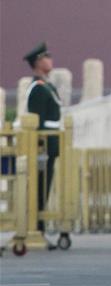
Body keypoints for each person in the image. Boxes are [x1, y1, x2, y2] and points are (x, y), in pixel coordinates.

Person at [23, 43, 61, 246]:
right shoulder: (38, 89)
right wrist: (40, 150)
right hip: (43, 149)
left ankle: (41, 229)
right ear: (38, 62)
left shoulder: (47, 86)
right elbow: (36, 122)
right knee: (39, 189)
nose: (50, 60)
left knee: (45, 189)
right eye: (46, 57)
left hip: (52, 148)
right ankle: (36, 229)